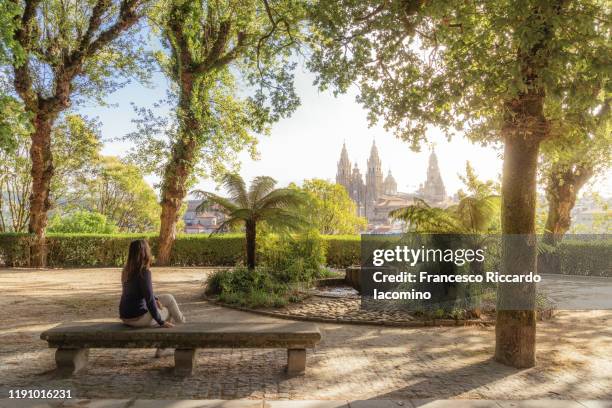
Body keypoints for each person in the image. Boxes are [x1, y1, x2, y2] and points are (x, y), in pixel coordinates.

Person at [119, 239, 186, 356]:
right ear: (144, 253)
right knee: (169, 309)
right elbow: (148, 300)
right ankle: (184, 333)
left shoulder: (126, 271)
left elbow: (143, 293)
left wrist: (155, 299)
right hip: (138, 319)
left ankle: (165, 346)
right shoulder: (143, 272)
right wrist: (161, 322)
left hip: (126, 317)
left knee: (167, 298)